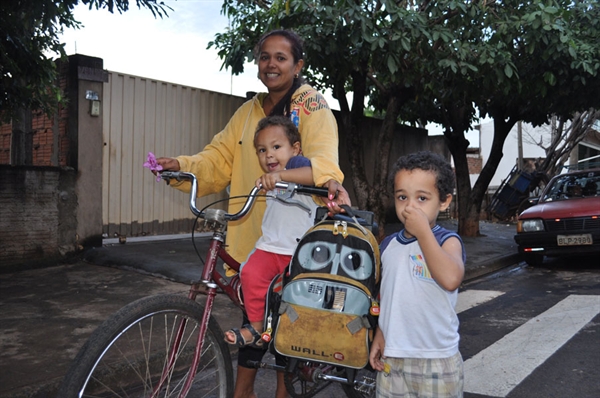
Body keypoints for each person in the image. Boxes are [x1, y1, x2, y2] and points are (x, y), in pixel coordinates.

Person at [152, 29, 351, 398]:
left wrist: (296, 178)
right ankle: (243, 391)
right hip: (251, 233)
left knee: (282, 326)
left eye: (281, 58)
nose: (271, 64)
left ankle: (279, 390)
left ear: (298, 65)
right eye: (264, 57)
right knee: (254, 313)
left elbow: (324, 163)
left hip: (294, 237)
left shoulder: (311, 105)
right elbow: (217, 159)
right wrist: (179, 165)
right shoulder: (248, 112)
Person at [369, 151, 466, 398]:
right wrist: (380, 334)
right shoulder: (389, 245)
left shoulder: (447, 242)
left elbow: (451, 278)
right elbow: (388, 296)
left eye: (422, 198)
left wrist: (424, 233)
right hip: (394, 358)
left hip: (436, 359)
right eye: (402, 197)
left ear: (444, 202)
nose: (410, 206)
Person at [224, 115, 318, 347]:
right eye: (262, 150)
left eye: (277, 147)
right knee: (249, 274)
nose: (269, 155)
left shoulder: (298, 165)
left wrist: (280, 176)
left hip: (299, 252)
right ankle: (256, 327)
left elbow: (315, 175)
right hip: (270, 247)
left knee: (297, 299)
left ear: (295, 148)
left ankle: (300, 337)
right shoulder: (268, 180)